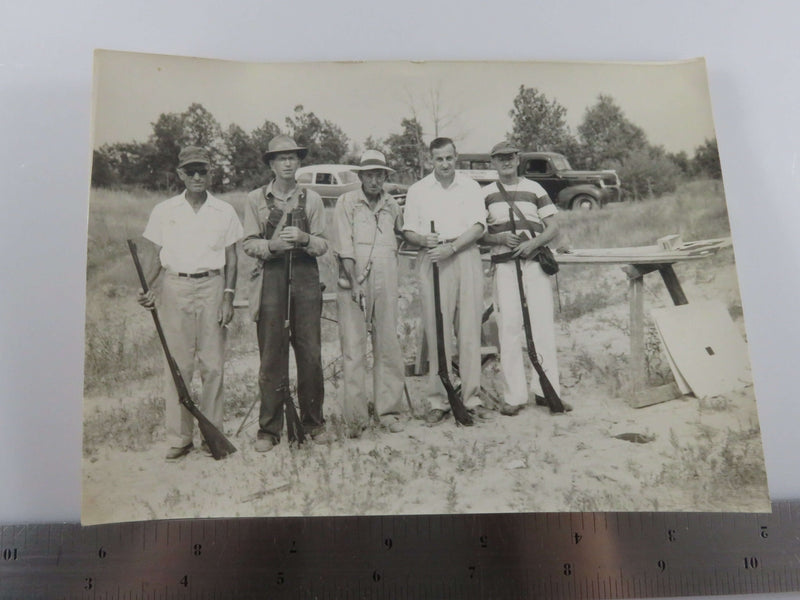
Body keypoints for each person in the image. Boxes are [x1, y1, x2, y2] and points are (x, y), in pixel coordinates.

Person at [137, 146, 243, 460]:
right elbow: (154, 255)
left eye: (203, 171)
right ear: (181, 174)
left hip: (212, 286)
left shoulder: (224, 211)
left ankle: (214, 436)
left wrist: (229, 296)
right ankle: (180, 438)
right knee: (178, 366)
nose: (197, 177)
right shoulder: (164, 210)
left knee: (212, 366)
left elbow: (233, 259)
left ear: (210, 173)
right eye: (191, 171)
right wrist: (148, 287)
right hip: (175, 287)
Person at [242, 135, 331, 452]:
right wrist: (272, 246)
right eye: (282, 158)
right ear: (271, 164)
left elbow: (323, 245)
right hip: (271, 279)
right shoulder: (255, 199)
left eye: (293, 157)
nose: (289, 163)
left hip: (306, 280)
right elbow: (249, 243)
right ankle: (269, 430)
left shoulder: (313, 199)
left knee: (310, 355)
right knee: (271, 357)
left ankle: (313, 423)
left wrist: (306, 238)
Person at [402, 137, 493, 425]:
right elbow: (408, 231)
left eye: (449, 158)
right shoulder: (417, 190)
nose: (444, 164)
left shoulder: (470, 187)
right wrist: (422, 239)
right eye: (439, 159)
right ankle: (437, 401)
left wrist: (451, 248)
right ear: (431, 160)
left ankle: (471, 398)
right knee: (436, 330)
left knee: (468, 329)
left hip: (463, 254)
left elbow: (479, 226)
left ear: (457, 158)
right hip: (432, 259)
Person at [480, 141, 565, 416]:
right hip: (504, 266)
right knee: (509, 329)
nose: (505, 162)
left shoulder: (535, 188)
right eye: (499, 158)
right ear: (493, 162)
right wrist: (499, 238)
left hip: (534, 263)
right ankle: (514, 396)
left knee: (542, 328)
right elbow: (478, 233)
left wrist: (533, 244)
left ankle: (546, 391)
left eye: (510, 157)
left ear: (518, 160)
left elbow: (553, 226)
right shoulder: (486, 194)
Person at [334, 150, 406, 438]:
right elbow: (343, 246)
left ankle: (388, 411)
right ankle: (356, 418)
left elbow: (402, 235)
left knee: (388, 344)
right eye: (369, 175)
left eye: (380, 174)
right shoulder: (346, 202)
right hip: (355, 276)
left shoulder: (392, 204)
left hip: (387, 276)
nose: (375, 180)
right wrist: (354, 283)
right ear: (360, 176)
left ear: (385, 176)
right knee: (353, 348)